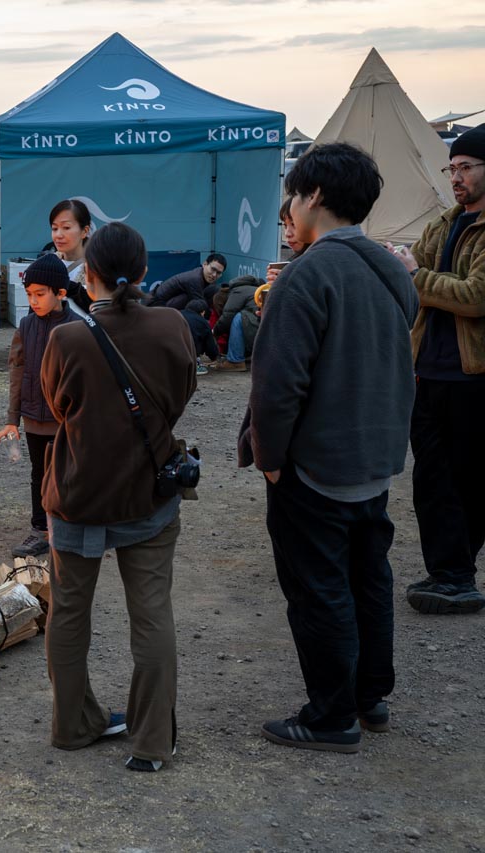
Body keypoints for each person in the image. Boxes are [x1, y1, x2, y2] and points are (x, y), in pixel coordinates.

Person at [238, 142, 417, 753]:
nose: (289, 207)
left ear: (312, 197)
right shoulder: (391, 267)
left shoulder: (307, 275)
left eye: (293, 195)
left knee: (320, 588)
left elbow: (277, 387)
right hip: (375, 458)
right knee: (369, 577)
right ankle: (371, 696)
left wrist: (270, 459)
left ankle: (332, 715)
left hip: (314, 466)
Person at [39, 221, 197, 773]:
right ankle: (152, 742)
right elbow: (181, 397)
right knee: (152, 616)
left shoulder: (67, 337)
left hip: (79, 492)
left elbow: (59, 407)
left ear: (89, 273)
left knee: (68, 613)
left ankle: (71, 725)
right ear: (146, 269)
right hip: (147, 495)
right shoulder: (172, 325)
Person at [390, 124, 485, 615]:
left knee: (468, 479)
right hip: (427, 372)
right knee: (430, 477)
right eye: (452, 168)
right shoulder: (442, 224)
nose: (456, 177)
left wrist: (415, 274)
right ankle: (449, 570)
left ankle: (455, 571)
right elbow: (413, 280)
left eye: (466, 167)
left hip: (474, 376)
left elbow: (475, 297)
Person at [0, 253, 78, 557]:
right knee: (39, 474)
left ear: (61, 293)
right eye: (29, 294)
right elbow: (17, 372)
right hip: (33, 418)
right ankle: (40, 530)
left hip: (67, 421)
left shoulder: (76, 328)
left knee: (67, 473)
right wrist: (12, 419)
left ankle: (70, 529)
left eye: (40, 294)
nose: (33, 300)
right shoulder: (26, 326)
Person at [42, 199, 93, 314]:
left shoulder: (96, 268)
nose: (58, 235)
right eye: (55, 228)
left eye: (66, 228)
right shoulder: (46, 266)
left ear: (84, 231)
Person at [211, 274, 262, 372]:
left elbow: (227, 316)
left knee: (239, 317)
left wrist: (214, 332)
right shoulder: (253, 289)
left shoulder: (237, 291)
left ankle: (235, 361)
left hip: (258, 323)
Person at [148, 253, 226, 314]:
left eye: (218, 273)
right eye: (213, 269)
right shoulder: (195, 279)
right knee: (196, 303)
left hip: (166, 301)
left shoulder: (201, 274)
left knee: (213, 290)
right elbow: (200, 306)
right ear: (205, 264)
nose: (214, 275)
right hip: (157, 305)